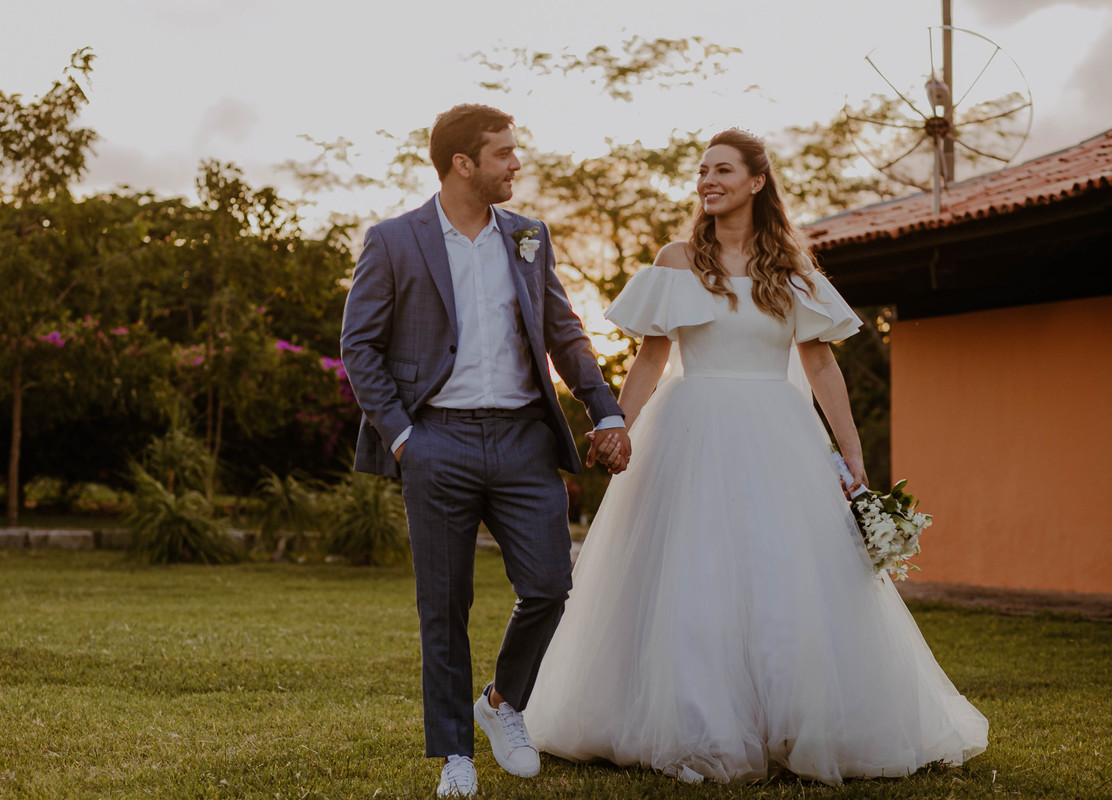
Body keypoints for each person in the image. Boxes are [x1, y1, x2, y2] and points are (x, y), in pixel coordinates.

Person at [524, 128, 988, 785]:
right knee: (694, 572)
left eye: (723, 169)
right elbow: (651, 358)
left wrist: (851, 454)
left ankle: (792, 722)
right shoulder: (677, 259)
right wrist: (616, 427)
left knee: (784, 575)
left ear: (757, 181)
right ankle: (695, 727)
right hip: (691, 433)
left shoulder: (792, 268)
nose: (708, 180)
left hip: (779, 435)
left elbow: (821, 366)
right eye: (703, 170)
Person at [339, 103, 629, 798]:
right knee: (444, 603)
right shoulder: (394, 240)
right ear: (462, 163)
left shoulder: (529, 238)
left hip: (523, 439)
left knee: (551, 586)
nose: (516, 165)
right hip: (436, 440)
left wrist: (605, 407)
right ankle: (455, 754)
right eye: (504, 153)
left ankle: (502, 704)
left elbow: (565, 331)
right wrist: (406, 438)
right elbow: (360, 346)